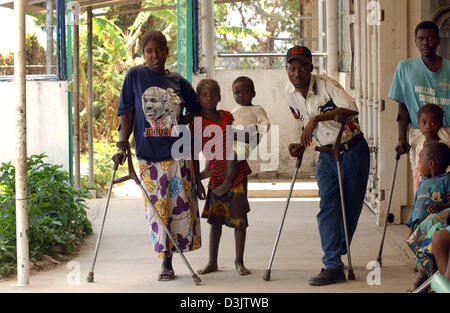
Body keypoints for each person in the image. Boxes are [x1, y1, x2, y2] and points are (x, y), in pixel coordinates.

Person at [114, 31, 205, 282]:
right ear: (143, 55)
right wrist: (122, 145)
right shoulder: (136, 75)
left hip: (177, 154)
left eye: (159, 50)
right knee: (157, 211)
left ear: (167, 51)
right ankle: (164, 254)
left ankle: (168, 260)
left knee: (176, 211)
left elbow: (196, 108)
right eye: (149, 51)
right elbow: (127, 113)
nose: (155, 55)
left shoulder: (178, 81)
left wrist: (187, 121)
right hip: (148, 157)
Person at [286, 45, 370, 285]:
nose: (297, 72)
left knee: (350, 208)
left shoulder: (326, 84)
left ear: (311, 68)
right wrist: (300, 144)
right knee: (328, 207)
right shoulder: (291, 97)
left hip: (352, 150)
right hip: (325, 156)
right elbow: (307, 126)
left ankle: (340, 250)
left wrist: (317, 118)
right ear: (287, 70)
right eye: (292, 67)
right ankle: (332, 263)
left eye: (302, 66)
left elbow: (351, 109)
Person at [191, 79, 253, 276]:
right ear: (198, 98)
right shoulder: (196, 123)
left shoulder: (227, 116)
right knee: (215, 221)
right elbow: (200, 154)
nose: (209, 98)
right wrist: (198, 178)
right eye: (204, 94)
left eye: (213, 94)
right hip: (216, 176)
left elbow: (238, 140)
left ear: (219, 96)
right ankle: (212, 262)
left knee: (239, 220)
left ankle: (239, 262)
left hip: (237, 175)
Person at [388, 21, 450, 173]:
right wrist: (401, 137)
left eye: (430, 38)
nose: (425, 42)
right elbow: (402, 106)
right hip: (419, 133)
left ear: (437, 41)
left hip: (447, 132)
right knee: (422, 181)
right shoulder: (405, 68)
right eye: (421, 38)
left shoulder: (448, 68)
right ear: (415, 41)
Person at [202, 76, 271, 196]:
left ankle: (227, 182)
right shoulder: (234, 111)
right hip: (232, 139)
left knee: (231, 155)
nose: (241, 95)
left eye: (245, 92)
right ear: (233, 95)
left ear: (253, 93)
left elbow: (266, 123)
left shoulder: (257, 109)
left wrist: (256, 129)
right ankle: (208, 169)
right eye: (237, 93)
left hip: (245, 143)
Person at [406, 142, 450, 289]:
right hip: (421, 226)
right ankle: (426, 277)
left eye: (421, 162)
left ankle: (425, 279)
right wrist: (411, 224)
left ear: (431, 163)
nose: (419, 166)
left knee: (428, 256)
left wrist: (443, 206)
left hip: (434, 224)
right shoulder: (423, 182)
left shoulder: (446, 180)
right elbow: (415, 205)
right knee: (421, 252)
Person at [413, 103, 445, 194]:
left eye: (433, 123)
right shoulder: (419, 145)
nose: (428, 126)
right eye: (424, 122)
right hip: (419, 186)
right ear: (418, 123)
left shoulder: (443, 147)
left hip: (436, 191)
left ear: (440, 124)